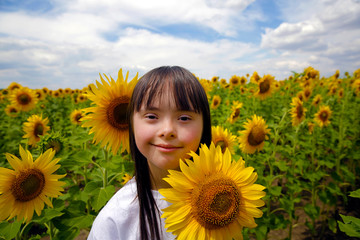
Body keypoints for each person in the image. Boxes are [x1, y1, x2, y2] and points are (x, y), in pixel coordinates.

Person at [87, 66, 212, 240]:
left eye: (184, 118)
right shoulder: (115, 219)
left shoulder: (225, 198)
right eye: (152, 116)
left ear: (204, 126)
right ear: (130, 124)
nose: (167, 130)